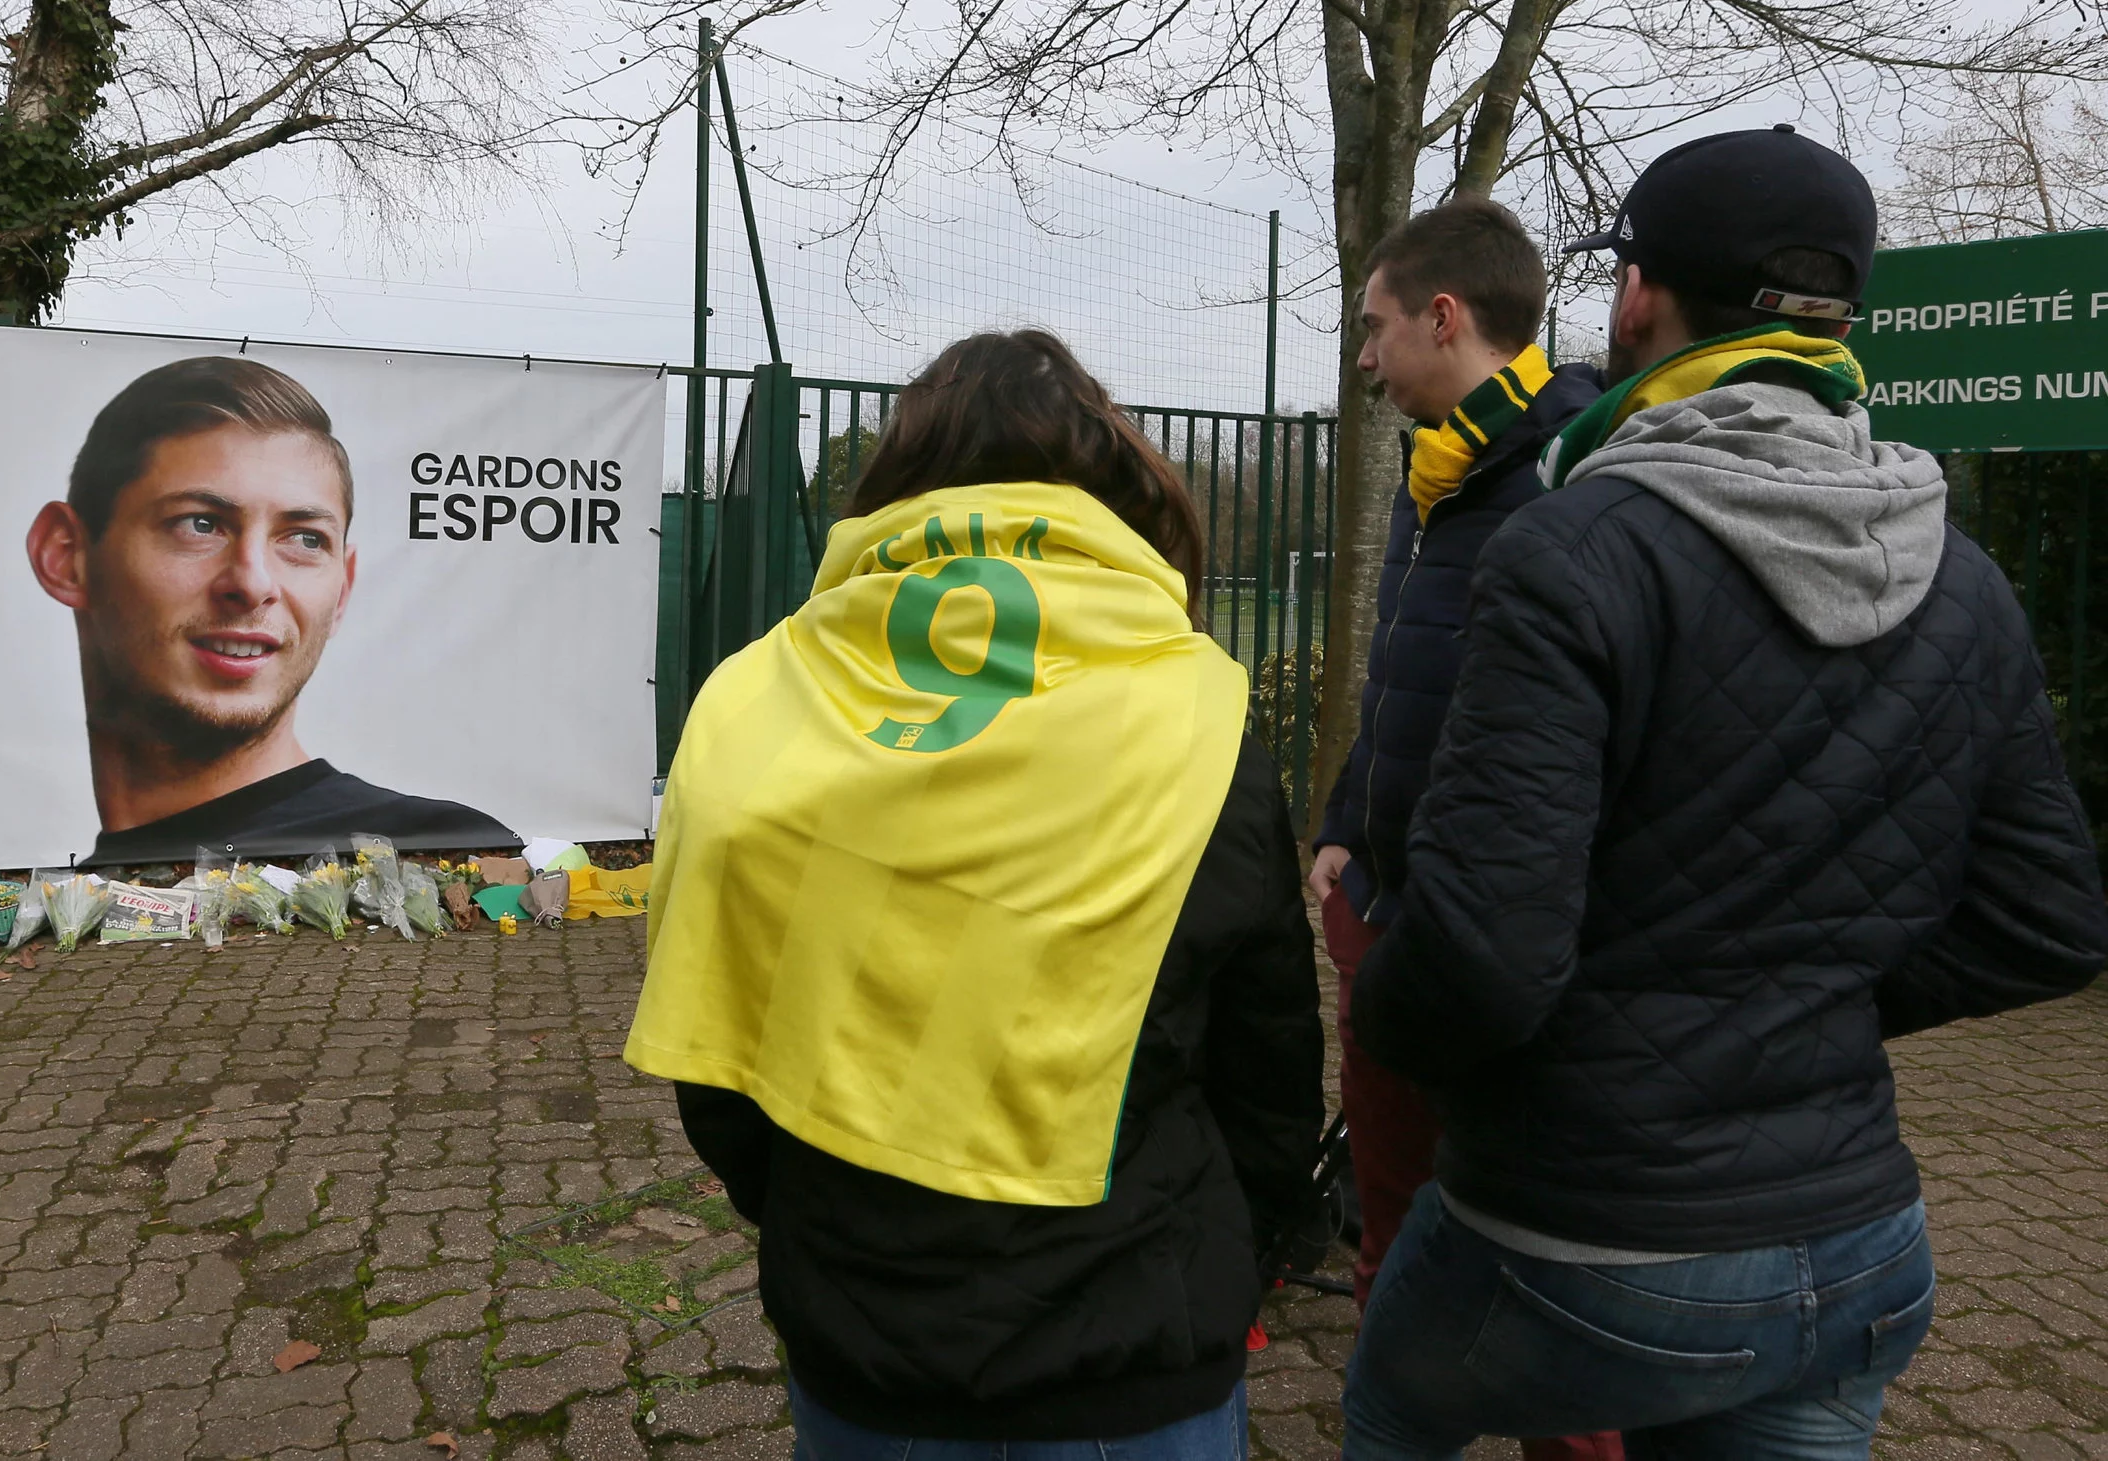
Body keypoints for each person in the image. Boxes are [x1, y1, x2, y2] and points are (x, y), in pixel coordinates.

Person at [1341, 127, 2108, 1459]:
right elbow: (2050, 918)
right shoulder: (1963, 574)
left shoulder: (1571, 546)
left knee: (1391, 1401)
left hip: (1593, 1238)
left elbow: (1483, 956)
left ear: (1639, 295)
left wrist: (1380, 1006)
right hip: (1862, 1252)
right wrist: (1798, 1002)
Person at [626, 330, 1325, 1456]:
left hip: (859, 1346)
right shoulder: (1196, 709)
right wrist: (1229, 1253)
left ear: (898, 473)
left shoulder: (753, 698)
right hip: (1134, 1349)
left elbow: (724, 1061)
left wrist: (820, 1212)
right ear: (1110, 474)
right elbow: (1267, 1058)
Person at [1307, 200, 1617, 1461]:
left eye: (1374, 329)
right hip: (1381, 918)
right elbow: (1403, 677)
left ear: (1444, 316)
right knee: (1392, 1225)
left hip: (1507, 943)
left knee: (1540, 1256)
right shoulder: (1433, 472)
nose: (1365, 359)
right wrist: (1342, 825)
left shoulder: (1580, 474)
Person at [25, 355, 517, 864]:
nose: (253, 583)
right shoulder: (61, 897)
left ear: (342, 591)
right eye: (198, 524)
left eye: (305, 539)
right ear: (66, 557)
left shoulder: (439, 854)